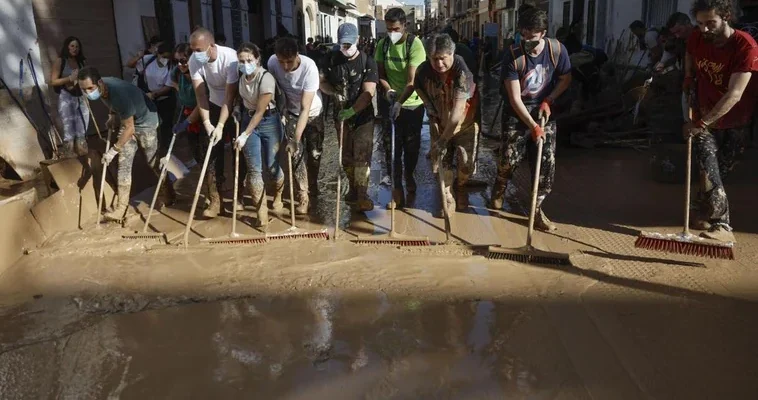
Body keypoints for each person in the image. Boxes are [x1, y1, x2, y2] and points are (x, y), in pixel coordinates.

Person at [683, 0, 758, 243]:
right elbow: (689, 53)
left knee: (719, 171)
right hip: (703, 114)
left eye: (710, 23)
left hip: (736, 118)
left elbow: (734, 94)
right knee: (709, 167)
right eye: (700, 23)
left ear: (726, 16)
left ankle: (698, 209)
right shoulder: (697, 37)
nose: (704, 29)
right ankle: (722, 224)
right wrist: (688, 76)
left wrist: (702, 122)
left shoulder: (745, 46)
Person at [492, 7, 572, 232]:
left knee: (546, 164)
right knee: (509, 159)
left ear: (543, 33)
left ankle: (536, 210)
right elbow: (515, 98)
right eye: (524, 36)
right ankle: (500, 183)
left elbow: (566, 78)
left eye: (532, 37)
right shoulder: (513, 55)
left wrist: (550, 99)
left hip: (544, 111)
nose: (527, 41)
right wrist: (533, 126)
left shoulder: (557, 50)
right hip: (517, 114)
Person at [77, 67, 160, 222]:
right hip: (128, 121)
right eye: (84, 90)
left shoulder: (118, 92)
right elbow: (115, 106)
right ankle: (121, 209)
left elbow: (130, 128)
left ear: (99, 83)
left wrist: (113, 151)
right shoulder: (102, 89)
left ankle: (167, 192)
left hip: (145, 122)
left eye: (90, 88)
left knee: (152, 162)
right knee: (123, 165)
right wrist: (112, 116)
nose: (88, 93)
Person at [414, 34, 479, 214]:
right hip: (440, 122)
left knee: (466, 164)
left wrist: (443, 140)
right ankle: (448, 196)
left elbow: (458, 111)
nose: (439, 64)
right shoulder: (424, 70)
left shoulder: (462, 72)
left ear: (451, 54)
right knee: (443, 165)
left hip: (464, 123)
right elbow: (417, 86)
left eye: (442, 58)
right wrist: (429, 107)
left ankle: (461, 185)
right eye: (434, 59)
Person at [320, 23, 378, 212]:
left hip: (363, 118)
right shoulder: (331, 60)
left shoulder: (367, 62)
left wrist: (353, 110)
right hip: (340, 118)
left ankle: (362, 195)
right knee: (346, 158)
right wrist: (333, 93)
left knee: (362, 157)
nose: (346, 48)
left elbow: (369, 92)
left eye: (349, 44)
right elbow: (322, 82)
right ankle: (353, 189)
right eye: (343, 45)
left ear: (357, 41)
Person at [375, 7, 427, 209]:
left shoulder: (415, 45)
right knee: (392, 148)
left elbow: (412, 81)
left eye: (396, 29)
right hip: (390, 100)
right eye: (388, 29)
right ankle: (397, 190)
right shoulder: (383, 44)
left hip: (412, 104)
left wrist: (400, 102)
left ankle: (409, 174)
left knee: (411, 148)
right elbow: (380, 74)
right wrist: (388, 92)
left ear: (405, 25)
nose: (392, 33)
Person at [267, 37, 324, 214]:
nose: (285, 66)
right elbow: (275, 89)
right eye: (281, 61)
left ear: (297, 55)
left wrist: (296, 139)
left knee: (314, 156)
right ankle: (303, 195)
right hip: (291, 112)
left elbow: (305, 108)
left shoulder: (309, 68)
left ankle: (313, 188)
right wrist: (281, 109)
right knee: (296, 156)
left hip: (312, 112)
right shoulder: (272, 62)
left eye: (289, 61)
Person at [188, 27, 241, 218]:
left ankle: (239, 196)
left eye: (198, 50)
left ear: (211, 46)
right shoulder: (194, 61)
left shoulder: (230, 58)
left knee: (239, 150)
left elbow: (230, 95)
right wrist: (208, 123)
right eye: (192, 50)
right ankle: (215, 199)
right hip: (213, 102)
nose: (195, 54)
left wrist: (221, 125)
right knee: (209, 151)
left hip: (235, 104)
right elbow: (200, 94)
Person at [235, 42, 285, 226]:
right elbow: (240, 99)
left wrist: (244, 135)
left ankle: (278, 194)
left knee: (272, 167)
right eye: (241, 61)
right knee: (254, 170)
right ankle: (261, 214)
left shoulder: (266, 78)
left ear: (257, 59)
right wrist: (236, 110)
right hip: (249, 121)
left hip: (269, 121)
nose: (245, 63)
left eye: (249, 60)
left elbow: (260, 111)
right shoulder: (241, 78)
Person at [139, 42, 177, 205]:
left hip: (165, 100)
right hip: (148, 98)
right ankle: (157, 151)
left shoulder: (172, 66)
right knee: (152, 129)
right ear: (157, 54)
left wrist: (154, 94)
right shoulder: (147, 60)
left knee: (165, 129)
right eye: (163, 56)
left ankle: (166, 156)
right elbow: (133, 68)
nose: (165, 60)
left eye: (168, 57)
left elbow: (169, 86)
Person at [50, 36, 89, 157]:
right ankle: (69, 158)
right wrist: (69, 78)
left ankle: (83, 156)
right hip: (66, 98)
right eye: (72, 46)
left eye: (77, 46)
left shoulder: (81, 62)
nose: (75, 48)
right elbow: (53, 81)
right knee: (69, 130)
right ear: (67, 46)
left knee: (82, 128)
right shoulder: (60, 61)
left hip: (81, 97)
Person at [168, 43, 203, 167]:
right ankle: (198, 162)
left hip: (205, 112)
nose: (179, 64)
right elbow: (175, 86)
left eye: (183, 61)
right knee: (193, 145)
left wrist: (187, 122)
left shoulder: (201, 73)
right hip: (188, 111)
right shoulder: (177, 73)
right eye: (176, 61)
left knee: (205, 146)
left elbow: (202, 103)